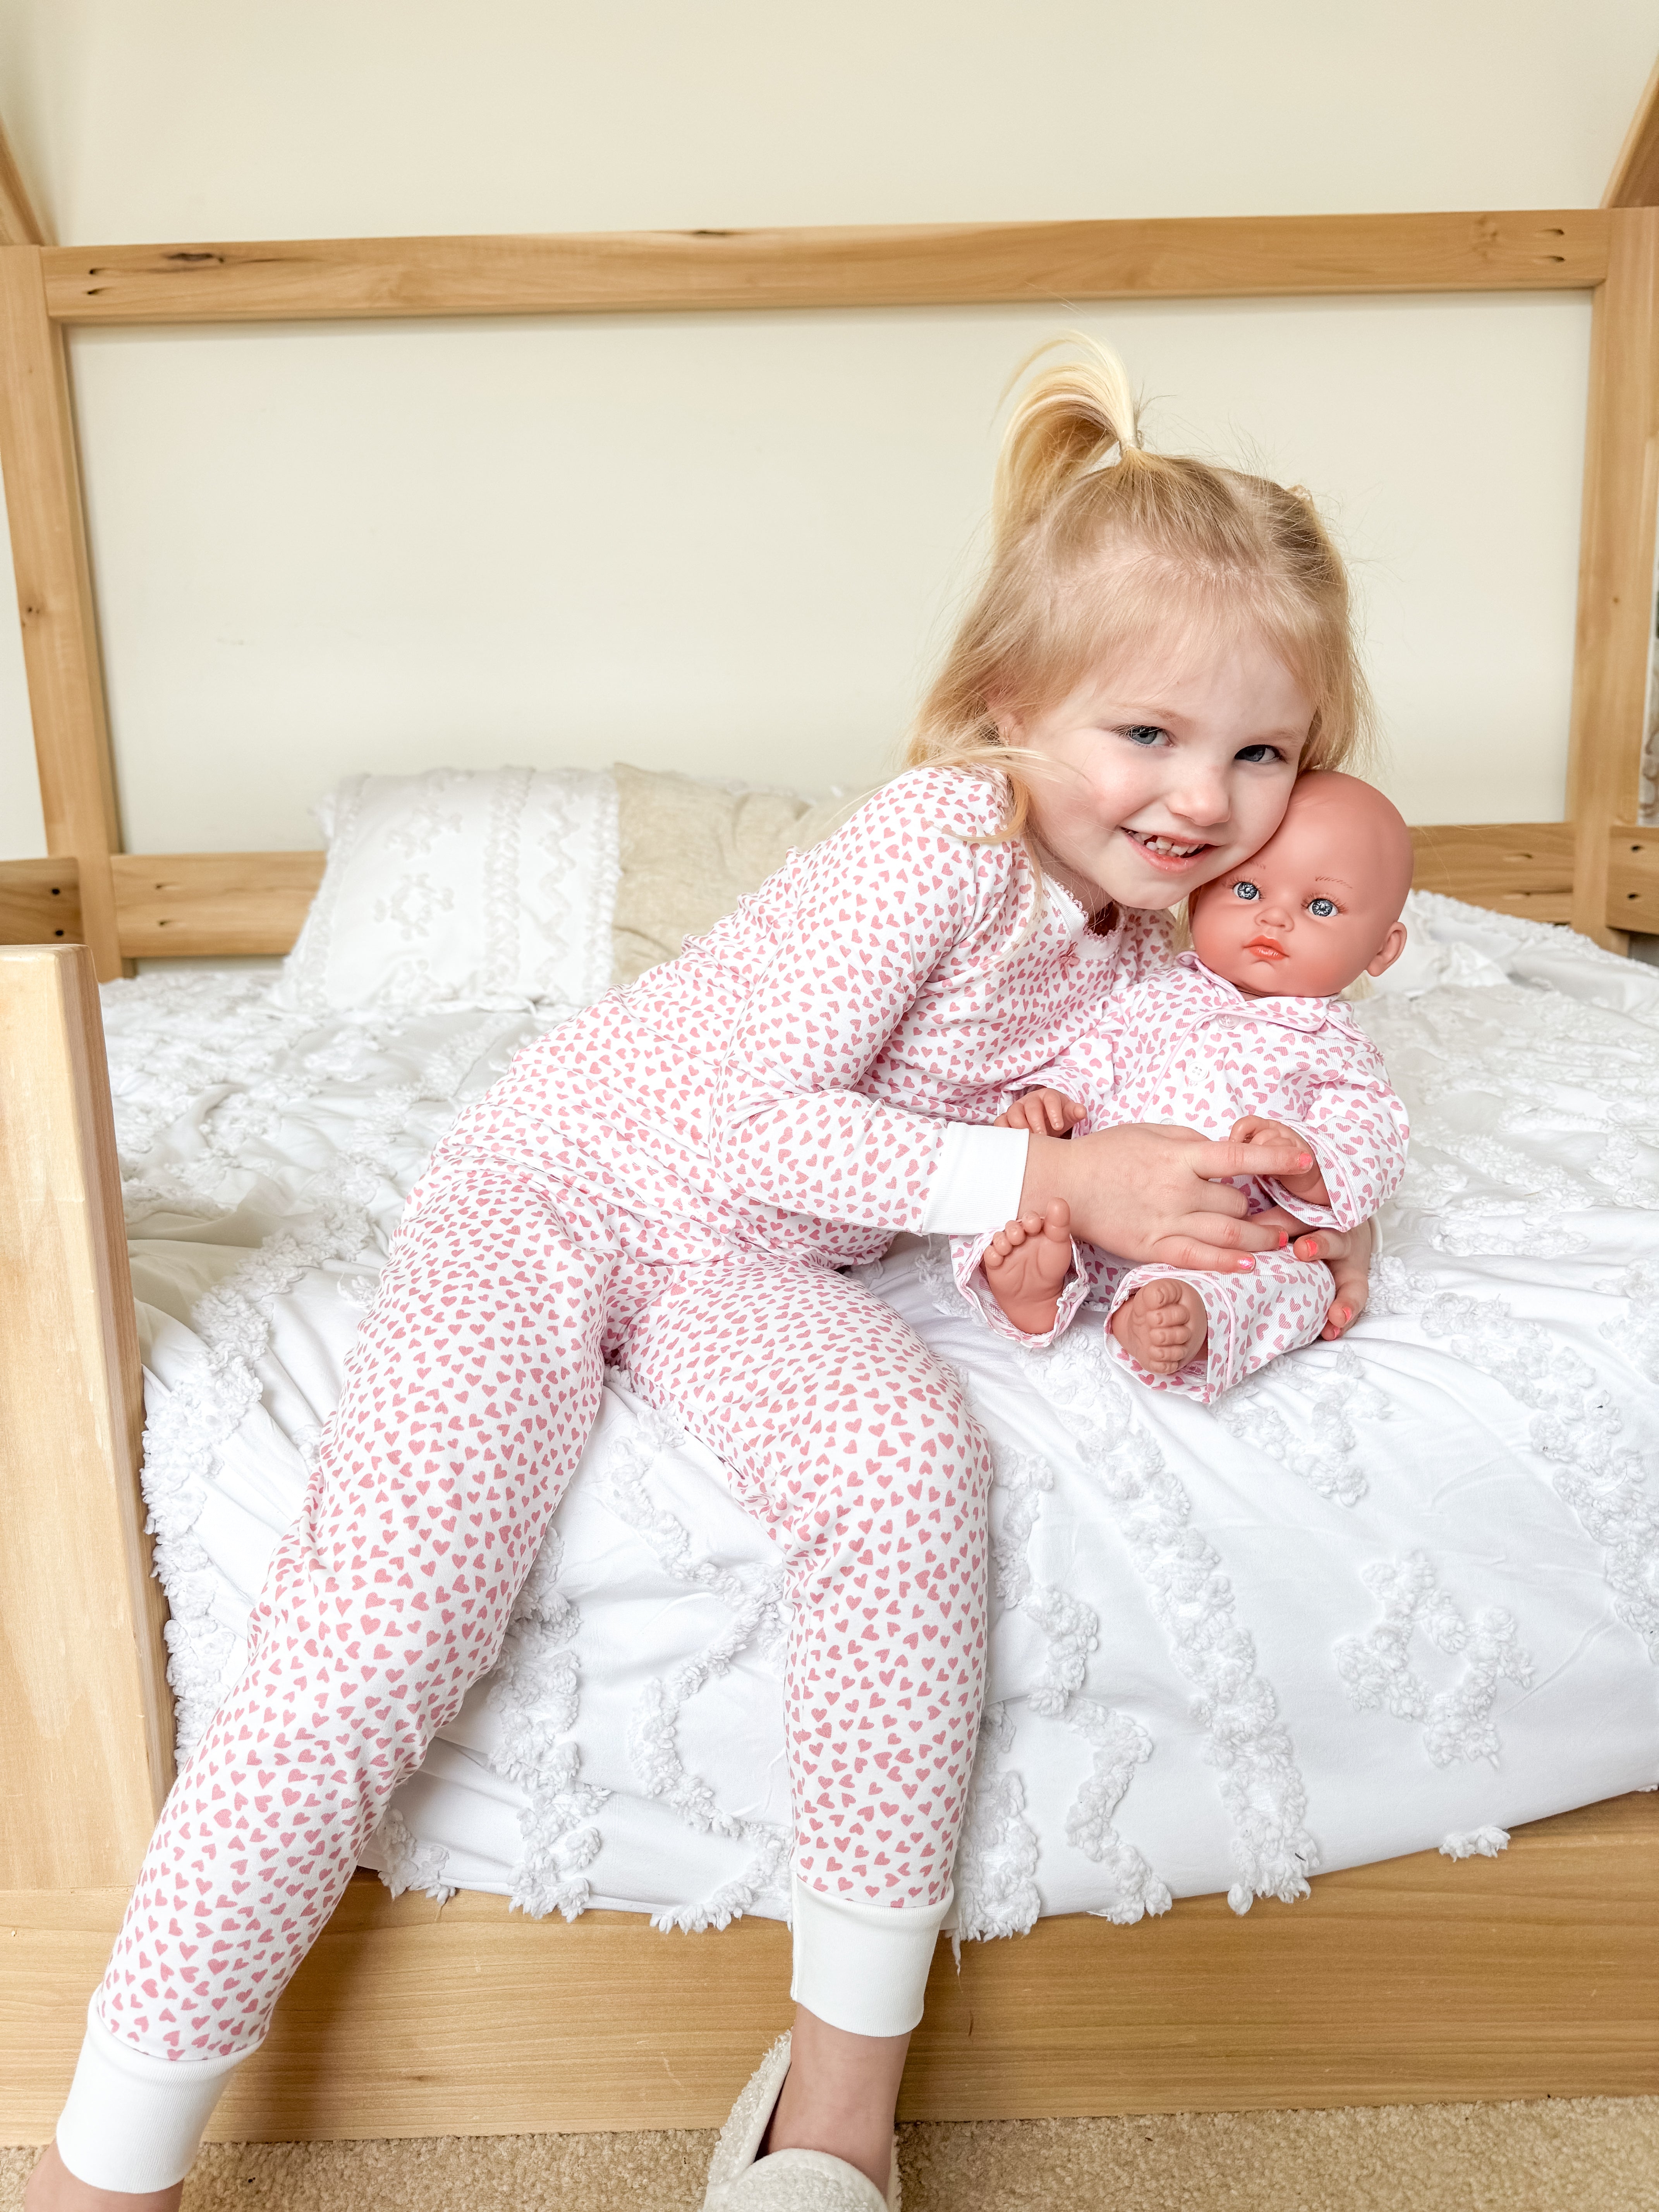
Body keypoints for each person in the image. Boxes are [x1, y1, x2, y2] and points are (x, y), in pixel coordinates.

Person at [31, 342, 1376, 2212]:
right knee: (386, 1611)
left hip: (747, 1262)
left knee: (910, 1471)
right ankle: (116, 2156)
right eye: (1145, 735)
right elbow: (754, 1122)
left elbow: (1221, 1133)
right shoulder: (939, 840)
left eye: (1261, 754)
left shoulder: (1160, 963)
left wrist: (1273, 1225)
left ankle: (834, 2105)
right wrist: (1058, 1170)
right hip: (559, 1193)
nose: (1202, 801)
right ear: (1011, 706)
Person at [967, 770, 1412, 1399]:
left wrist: (1308, 1163)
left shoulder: (1335, 1047)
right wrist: (1056, 1097)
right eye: (1248, 888)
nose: (1274, 917)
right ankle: (1036, 1283)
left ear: (1382, 950)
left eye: (1320, 906)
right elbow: (1098, 1056)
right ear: (1198, 897)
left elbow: (1371, 1137)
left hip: (1229, 1232)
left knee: (1306, 1277)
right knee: (1015, 1187)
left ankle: (1180, 1314)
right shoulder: (1156, 993)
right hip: (1099, 1205)